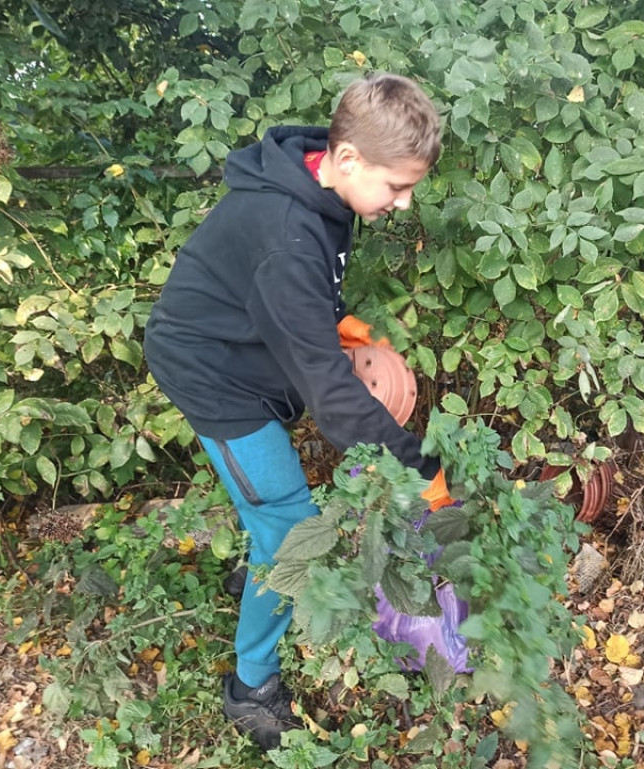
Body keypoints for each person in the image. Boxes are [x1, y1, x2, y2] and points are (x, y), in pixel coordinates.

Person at [143, 72, 454, 751]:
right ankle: (251, 686)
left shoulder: (321, 182)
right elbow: (333, 399)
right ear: (348, 158)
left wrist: (340, 325)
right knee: (291, 532)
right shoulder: (284, 231)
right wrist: (419, 469)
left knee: (276, 516)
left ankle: (257, 563)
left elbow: (298, 294)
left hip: (248, 346)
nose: (404, 202)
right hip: (213, 373)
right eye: (397, 186)